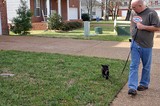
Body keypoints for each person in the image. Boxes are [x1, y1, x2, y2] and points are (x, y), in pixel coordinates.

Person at [128, 0, 160, 95]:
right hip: (134, 43)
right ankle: (132, 87)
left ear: (140, 5)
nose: (132, 9)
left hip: (146, 45)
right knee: (133, 65)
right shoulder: (134, 12)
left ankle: (144, 84)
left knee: (146, 66)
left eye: (134, 7)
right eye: (132, 7)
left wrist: (143, 27)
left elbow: (158, 28)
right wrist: (132, 33)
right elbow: (132, 23)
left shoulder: (152, 13)